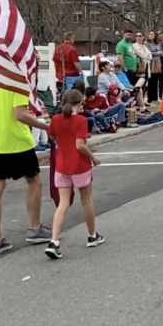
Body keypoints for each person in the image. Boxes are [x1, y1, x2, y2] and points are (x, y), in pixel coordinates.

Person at [0, 78, 52, 255]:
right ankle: (35, 228)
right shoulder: (15, 80)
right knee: (34, 181)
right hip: (17, 142)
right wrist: (47, 127)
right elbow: (20, 114)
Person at [44, 89, 104, 259]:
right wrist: (92, 156)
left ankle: (54, 241)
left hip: (62, 165)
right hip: (79, 164)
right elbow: (80, 145)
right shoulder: (80, 120)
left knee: (63, 203)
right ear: (79, 104)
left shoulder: (56, 119)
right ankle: (92, 235)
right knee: (86, 200)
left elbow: (53, 136)